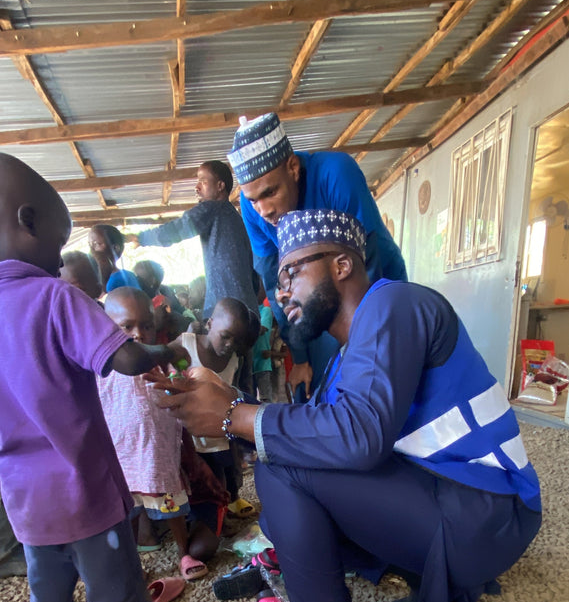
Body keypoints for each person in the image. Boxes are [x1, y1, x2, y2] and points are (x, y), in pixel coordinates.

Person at [158, 209, 542, 602]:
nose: (283, 293)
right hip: (469, 512)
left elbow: (359, 436)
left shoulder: (392, 303)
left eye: (293, 271)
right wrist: (230, 404)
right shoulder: (347, 353)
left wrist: (235, 415)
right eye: (278, 281)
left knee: (280, 469)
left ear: (342, 264)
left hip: (488, 517)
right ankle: (432, 583)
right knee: (283, 487)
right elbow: (321, 433)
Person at [0, 153, 190, 602]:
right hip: (87, 494)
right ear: (27, 220)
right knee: (118, 594)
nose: (58, 262)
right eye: (59, 247)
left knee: (47, 597)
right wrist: (168, 350)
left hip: (27, 507)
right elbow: (125, 357)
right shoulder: (54, 296)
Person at [228, 112, 408, 400]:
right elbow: (278, 283)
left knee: (374, 383)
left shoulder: (336, 174)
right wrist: (300, 357)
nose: (263, 210)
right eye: (253, 200)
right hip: (316, 301)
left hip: (374, 283)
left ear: (293, 167)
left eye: (270, 192)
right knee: (312, 392)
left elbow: (368, 265)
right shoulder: (252, 208)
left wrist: (362, 351)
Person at [97, 286, 211, 581]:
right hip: (122, 455)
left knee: (172, 505)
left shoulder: (160, 359)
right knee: (128, 512)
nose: (138, 334)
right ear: (109, 327)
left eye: (146, 325)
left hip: (157, 451)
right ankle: (132, 565)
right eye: (127, 326)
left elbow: (183, 374)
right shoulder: (103, 369)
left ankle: (184, 552)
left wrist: (179, 379)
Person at [126, 161, 260, 322]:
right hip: (245, 307)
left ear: (220, 186)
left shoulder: (213, 208)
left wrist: (142, 238)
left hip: (226, 309)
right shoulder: (234, 218)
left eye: (203, 181)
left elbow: (179, 228)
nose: (197, 187)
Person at [179, 297, 256, 517]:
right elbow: (171, 365)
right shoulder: (187, 344)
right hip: (191, 432)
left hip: (221, 432)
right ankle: (200, 515)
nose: (230, 344)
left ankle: (223, 510)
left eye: (236, 341)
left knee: (222, 473)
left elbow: (235, 392)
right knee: (197, 476)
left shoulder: (233, 360)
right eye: (225, 336)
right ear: (210, 323)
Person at [88, 224, 141, 293]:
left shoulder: (121, 279)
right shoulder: (92, 279)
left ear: (115, 248)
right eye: (90, 244)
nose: (92, 249)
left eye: (97, 244)